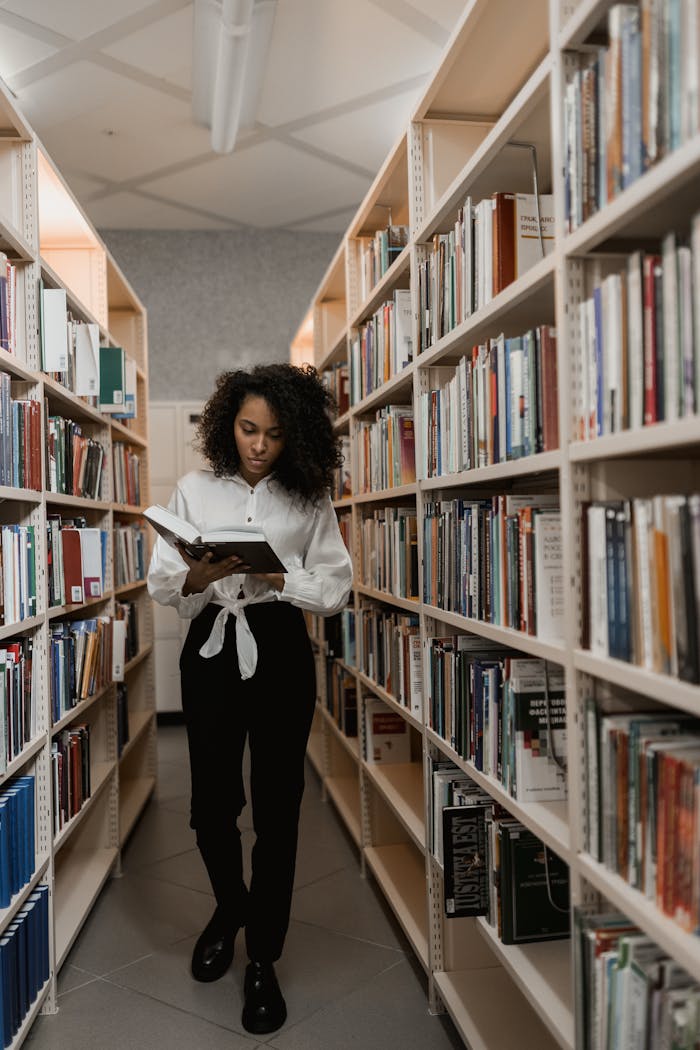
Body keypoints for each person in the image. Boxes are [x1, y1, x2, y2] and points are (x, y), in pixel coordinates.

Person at [147, 363, 353, 1035]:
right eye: (246, 429)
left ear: (296, 435)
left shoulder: (309, 496)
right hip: (210, 646)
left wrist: (278, 576)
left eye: (273, 433)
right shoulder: (194, 487)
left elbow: (335, 587)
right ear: (226, 423)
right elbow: (161, 582)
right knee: (210, 807)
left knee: (278, 809)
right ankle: (231, 906)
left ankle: (262, 957)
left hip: (280, 651)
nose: (258, 445)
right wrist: (196, 577)